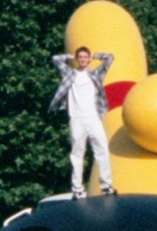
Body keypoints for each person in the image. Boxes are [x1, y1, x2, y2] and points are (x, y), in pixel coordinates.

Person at [49, 46, 117, 199]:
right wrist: (71, 57)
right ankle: (77, 188)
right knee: (77, 153)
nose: (83, 60)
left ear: (89, 58)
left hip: (93, 117)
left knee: (102, 150)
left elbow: (109, 57)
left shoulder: (95, 74)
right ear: (77, 59)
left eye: (85, 57)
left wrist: (94, 55)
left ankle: (106, 185)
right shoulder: (70, 74)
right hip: (76, 118)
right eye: (80, 57)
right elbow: (56, 59)